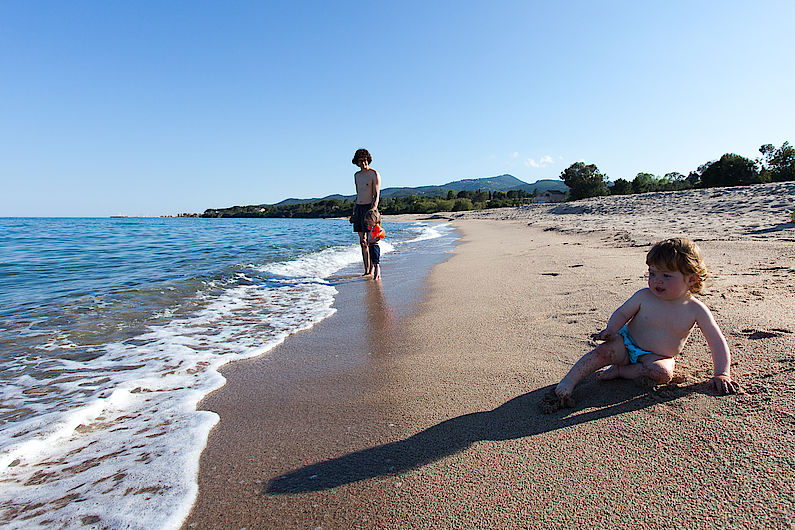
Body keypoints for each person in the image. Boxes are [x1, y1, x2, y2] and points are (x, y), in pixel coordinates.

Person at [554, 237, 739, 408]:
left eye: (666, 276)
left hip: (657, 356)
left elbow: (716, 341)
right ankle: (569, 381)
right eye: (652, 273)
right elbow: (622, 313)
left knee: (663, 374)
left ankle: (621, 372)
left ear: (691, 278)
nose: (657, 281)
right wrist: (611, 330)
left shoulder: (696, 310)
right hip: (627, 343)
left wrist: (722, 373)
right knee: (601, 353)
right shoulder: (644, 296)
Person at [351, 148, 381, 275]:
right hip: (358, 207)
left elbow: (376, 194)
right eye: (360, 161)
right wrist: (354, 212)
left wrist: (373, 210)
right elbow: (358, 194)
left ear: (368, 160)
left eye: (364, 160)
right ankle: (367, 270)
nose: (363, 163)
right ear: (356, 162)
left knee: (370, 240)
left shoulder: (374, 174)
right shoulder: (356, 175)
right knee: (362, 242)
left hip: (369, 208)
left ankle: (374, 267)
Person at [364, 209, 385, 280]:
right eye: (368, 221)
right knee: (373, 262)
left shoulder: (377, 229)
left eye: (370, 221)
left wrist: (369, 241)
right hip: (371, 246)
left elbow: (377, 239)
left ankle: (377, 276)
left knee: (376, 263)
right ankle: (375, 274)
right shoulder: (373, 228)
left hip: (375, 247)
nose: (368, 223)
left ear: (375, 219)